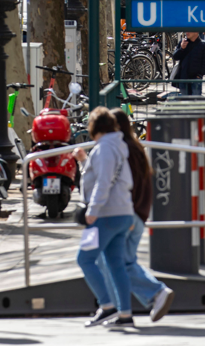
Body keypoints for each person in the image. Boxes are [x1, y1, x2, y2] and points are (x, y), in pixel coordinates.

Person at [91, 109, 174, 323]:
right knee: (117, 261)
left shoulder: (120, 150)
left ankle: (155, 293)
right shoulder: (134, 147)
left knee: (118, 263)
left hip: (128, 213)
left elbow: (116, 184)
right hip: (137, 213)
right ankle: (122, 309)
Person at [75, 108, 135, 328]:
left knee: (84, 259)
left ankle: (107, 305)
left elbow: (103, 182)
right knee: (116, 264)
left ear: (94, 127)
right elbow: (107, 177)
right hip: (122, 213)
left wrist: (93, 210)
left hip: (105, 215)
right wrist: (84, 161)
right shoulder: (117, 146)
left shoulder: (104, 148)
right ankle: (125, 313)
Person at [171, 32, 205, 96]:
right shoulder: (183, 42)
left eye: (189, 30)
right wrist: (181, 48)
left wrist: (199, 75)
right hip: (183, 78)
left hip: (196, 79)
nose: (187, 32)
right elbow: (175, 57)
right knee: (185, 100)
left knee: (195, 100)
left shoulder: (204, 45)